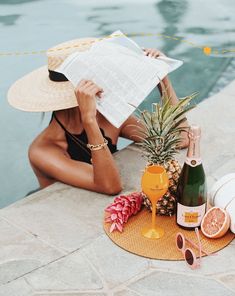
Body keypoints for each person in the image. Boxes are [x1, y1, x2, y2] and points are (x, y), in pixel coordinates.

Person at [8, 38, 189, 196]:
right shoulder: (42, 151)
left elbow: (180, 140)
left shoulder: (108, 117)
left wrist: (162, 77)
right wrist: (89, 119)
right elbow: (110, 186)